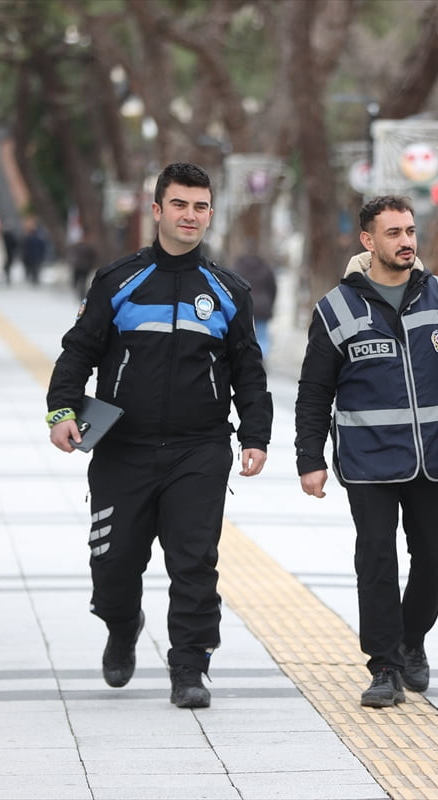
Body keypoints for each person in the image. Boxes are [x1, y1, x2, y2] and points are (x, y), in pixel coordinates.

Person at [45, 163, 272, 709]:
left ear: (210, 214)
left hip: (200, 449)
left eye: (200, 206)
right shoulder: (117, 281)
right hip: (123, 448)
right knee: (114, 562)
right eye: (179, 204)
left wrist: (256, 437)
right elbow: (78, 351)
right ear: (157, 210)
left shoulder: (227, 290)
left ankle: (189, 666)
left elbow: (249, 371)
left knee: (194, 561)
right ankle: (122, 625)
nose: (190, 215)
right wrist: (61, 412)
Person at [295, 195, 438, 709]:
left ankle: (412, 639)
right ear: (368, 241)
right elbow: (314, 391)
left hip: (436, 457)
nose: (406, 241)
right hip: (368, 461)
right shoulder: (336, 308)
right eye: (393, 233)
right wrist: (309, 458)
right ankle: (384, 664)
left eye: (410, 231)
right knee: (377, 562)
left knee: (435, 558)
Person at [233, 251, 277, 358]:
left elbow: (233, 289)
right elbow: (273, 288)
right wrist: (270, 304)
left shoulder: (237, 268)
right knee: (262, 337)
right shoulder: (266, 268)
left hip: (244, 307)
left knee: (243, 336)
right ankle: (261, 358)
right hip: (263, 307)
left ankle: (246, 359)